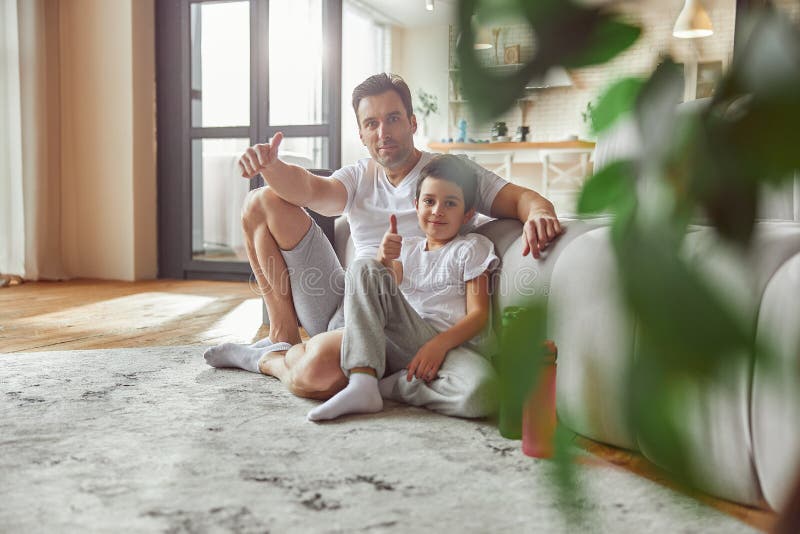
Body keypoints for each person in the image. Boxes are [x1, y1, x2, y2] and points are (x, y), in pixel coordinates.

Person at [203, 73, 562, 400]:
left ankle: (268, 360)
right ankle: (282, 337)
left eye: (392, 119)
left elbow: (521, 198)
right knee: (261, 201)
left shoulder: (449, 175)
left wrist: (540, 212)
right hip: (344, 301)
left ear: (412, 123)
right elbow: (309, 190)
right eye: (371, 124)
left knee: (317, 375)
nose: (383, 133)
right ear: (361, 134)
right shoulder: (359, 175)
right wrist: (271, 166)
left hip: (400, 323)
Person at [306, 154, 499, 421]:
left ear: (468, 213)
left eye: (450, 203)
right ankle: (362, 381)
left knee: (483, 392)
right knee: (364, 267)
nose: (437, 211)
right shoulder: (407, 248)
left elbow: (479, 315)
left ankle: (390, 386)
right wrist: (384, 257)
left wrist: (438, 346)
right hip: (401, 340)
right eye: (429, 201)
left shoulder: (471, 248)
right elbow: (383, 286)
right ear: (416, 205)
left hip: (448, 348)